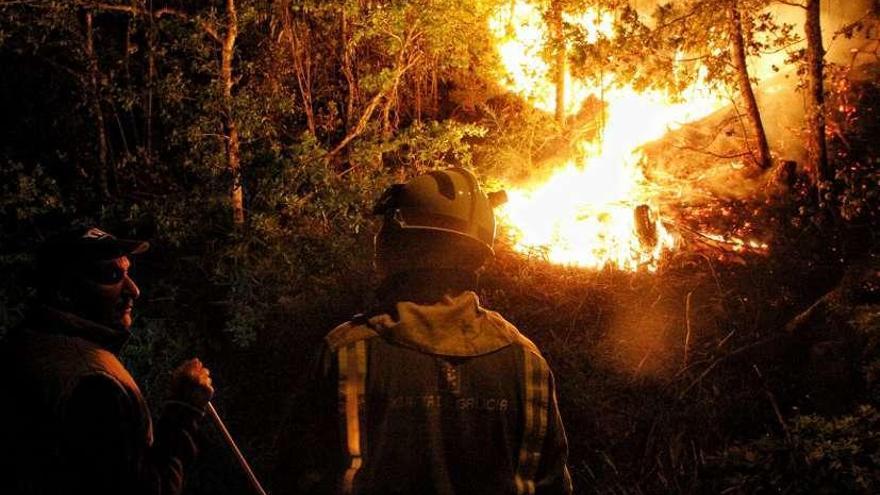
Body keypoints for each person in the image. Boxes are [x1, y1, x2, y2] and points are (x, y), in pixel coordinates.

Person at [278, 168, 572, 494]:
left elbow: (298, 475)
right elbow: (552, 484)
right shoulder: (527, 362)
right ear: (478, 257)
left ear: (396, 246)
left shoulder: (348, 352)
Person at [0, 226, 214, 495]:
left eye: (127, 272)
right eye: (111, 275)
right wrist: (183, 411)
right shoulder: (93, 383)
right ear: (64, 290)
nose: (133, 290)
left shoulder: (27, 344)